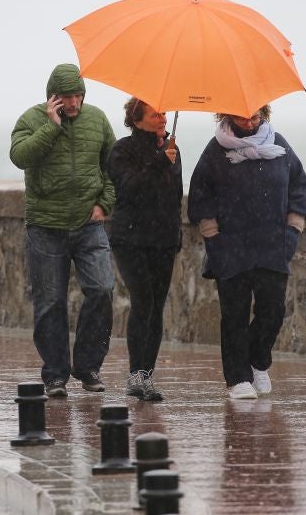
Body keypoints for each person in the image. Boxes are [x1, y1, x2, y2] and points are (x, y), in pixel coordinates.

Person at [188, 105, 306, 399]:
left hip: (273, 247)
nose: (249, 121)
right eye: (242, 116)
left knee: (274, 311)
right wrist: (213, 237)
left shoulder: (279, 145)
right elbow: (200, 196)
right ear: (226, 115)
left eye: (255, 116)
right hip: (230, 248)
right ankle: (237, 378)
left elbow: (299, 187)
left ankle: (257, 361)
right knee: (234, 315)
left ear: (263, 113)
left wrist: (293, 230)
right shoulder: (216, 150)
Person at [9, 64, 116, 397]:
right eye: (67, 97)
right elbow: (19, 156)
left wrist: (105, 203)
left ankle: (88, 367)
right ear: (53, 98)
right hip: (45, 226)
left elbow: (112, 167)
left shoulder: (97, 119)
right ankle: (55, 375)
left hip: (89, 224)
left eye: (78, 96)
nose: (73, 103)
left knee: (102, 290)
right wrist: (51, 127)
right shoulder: (31, 119)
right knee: (50, 302)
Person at [106, 97, 182, 402]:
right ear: (137, 119)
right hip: (131, 239)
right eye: (155, 114)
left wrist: (177, 233)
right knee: (143, 301)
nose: (162, 118)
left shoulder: (173, 150)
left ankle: (147, 375)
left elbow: (174, 195)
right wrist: (159, 162)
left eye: (164, 113)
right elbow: (129, 188)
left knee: (157, 306)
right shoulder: (122, 150)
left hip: (164, 240)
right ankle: (135, 373)